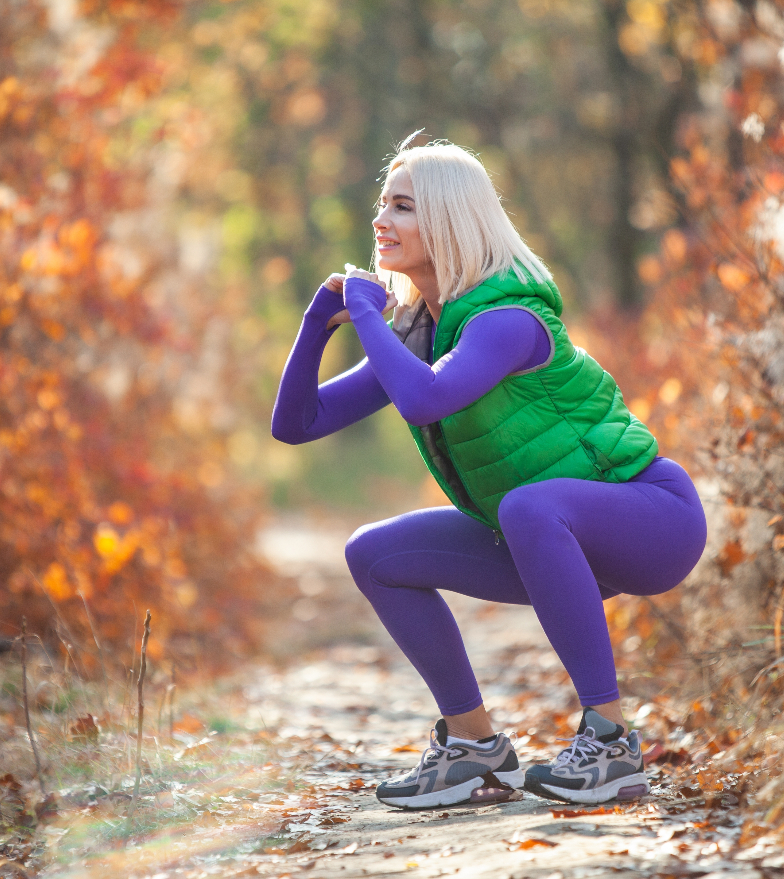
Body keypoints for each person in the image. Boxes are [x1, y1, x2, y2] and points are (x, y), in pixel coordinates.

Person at [272, 140, 707, 809]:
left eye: (403, 206)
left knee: (528, 507)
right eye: (382, 204)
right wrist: (315, 322)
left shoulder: (509, 320)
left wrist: (365, 312)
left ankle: (612, 740)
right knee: (376, 553)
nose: (382, 220)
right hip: (544, 532)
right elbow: (296, 423)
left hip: (652, 517)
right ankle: (473, 747)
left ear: (449, 219)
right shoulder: (424, 333)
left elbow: (425, 398)